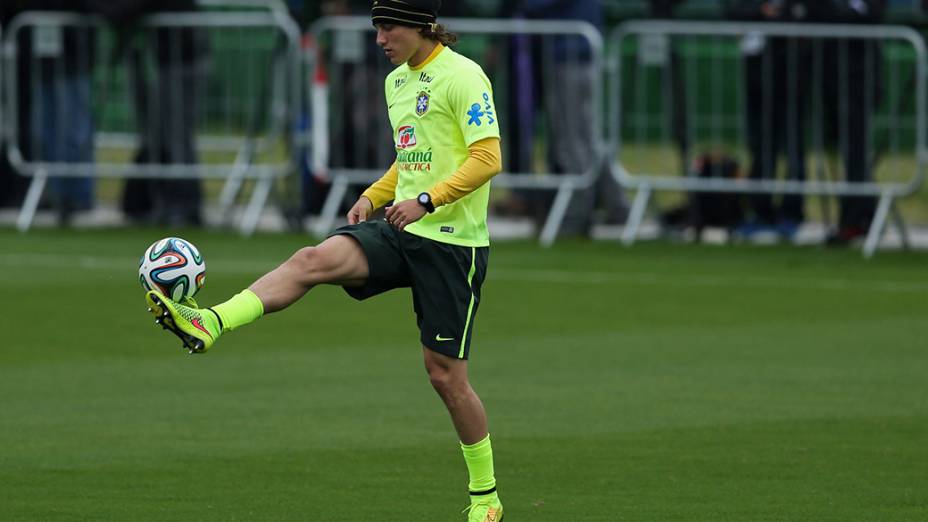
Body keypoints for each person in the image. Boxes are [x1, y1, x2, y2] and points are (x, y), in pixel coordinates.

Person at [143, 1, 505, 520]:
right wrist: (375, 194)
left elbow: (488, 157)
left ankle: (486, 497)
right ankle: (209, 322)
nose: (380, 38)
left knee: (445, 377)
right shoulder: (397, 82)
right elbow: (411, 158)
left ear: (422, 26)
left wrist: (427, 200)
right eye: (376, 27)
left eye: (389, 27)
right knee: (312, 259)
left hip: (452, 244)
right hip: (401, 227)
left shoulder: (464, 76)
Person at [726, 0, 813, 240]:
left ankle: (792, 212)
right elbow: (731, 9)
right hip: (758, 72)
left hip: (793, 69)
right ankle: (761, 211)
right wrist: (760, 11)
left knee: (793, 144)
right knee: (761, 144)